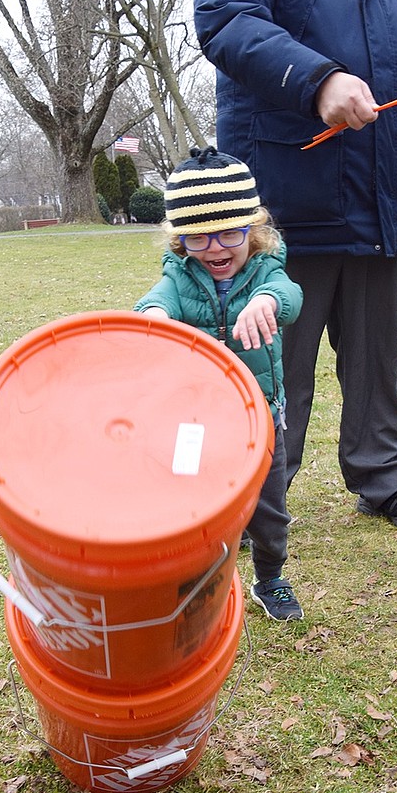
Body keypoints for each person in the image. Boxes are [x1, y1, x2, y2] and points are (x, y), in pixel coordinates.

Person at [194, 0, 397, 529]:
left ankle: (382, 474)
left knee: (376, 354)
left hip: (382, 201)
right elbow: (226, 18)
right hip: (286, 203)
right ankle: (247, 491)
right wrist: (318, 80)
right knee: (272, 362)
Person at [134, 146, 304, 621]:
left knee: (269, 511)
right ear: (179, 240)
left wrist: (267, 301)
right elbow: (156, 299)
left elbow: (290, 294)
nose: (215, 248)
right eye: (198, 238)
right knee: (192, 504)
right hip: (196, 424)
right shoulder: (180, 275)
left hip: (259, 418)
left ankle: (270, 577)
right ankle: (195, 578)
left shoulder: (267, 269)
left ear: (256, 230)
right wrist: (153, 315)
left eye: (230, 232)